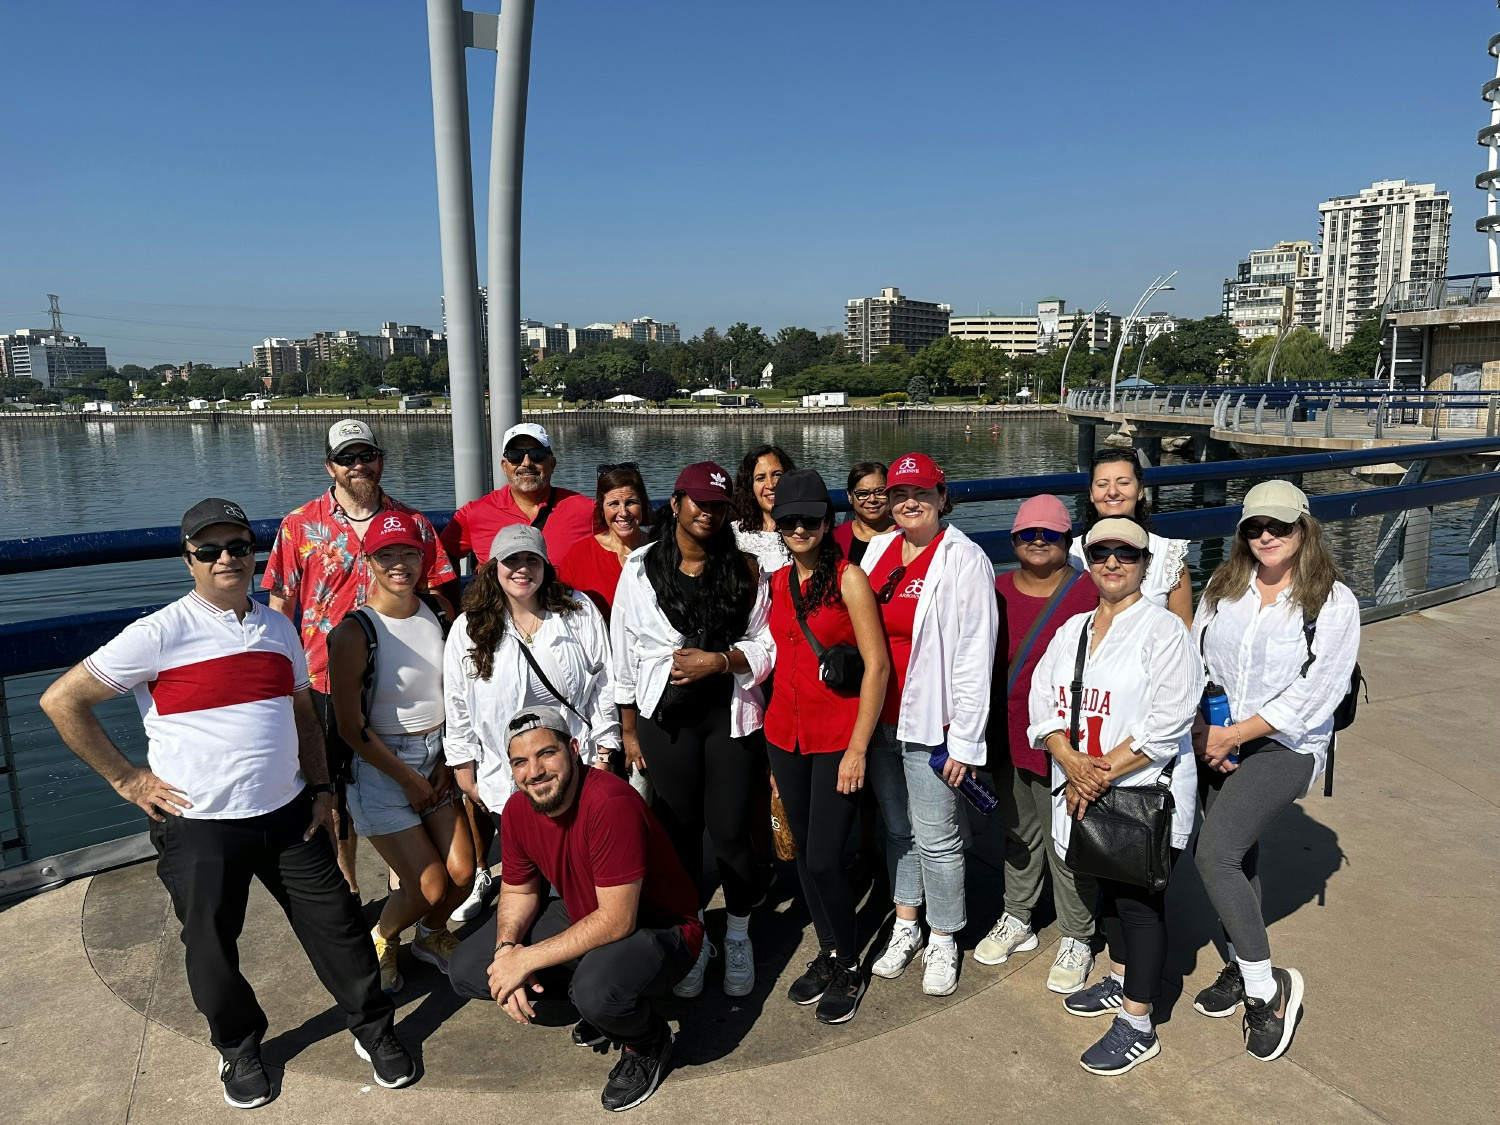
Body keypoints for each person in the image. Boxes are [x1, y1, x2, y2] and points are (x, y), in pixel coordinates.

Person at [40, 498, 416, 1109]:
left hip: (290, 811)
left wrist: (321, 791)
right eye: (209, 550)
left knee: (341, 928)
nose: (226, 559)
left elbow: (300, 712)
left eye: (238, 547)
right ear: (187, 559)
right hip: (200, 825)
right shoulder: (159, 633)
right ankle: (238, 1046)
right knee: (211, 946)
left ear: (253, 555)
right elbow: (62, 701)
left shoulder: (276, 626)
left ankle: (374, 1029)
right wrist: (128, 781)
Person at [446, 707, 701, 1113]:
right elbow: (518, 889)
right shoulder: (516, 810)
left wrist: (528, 959)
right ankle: (605, 1010)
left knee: (595, 991)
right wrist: (507, 951)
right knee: (469, 970)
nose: (535, 771)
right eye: (520, 762)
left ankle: (647, 1040)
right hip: (586, 914)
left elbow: (619, 919)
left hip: (662, 928)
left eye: (547, 754)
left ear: (574, 749)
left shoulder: (610, 801)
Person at [1191, 480, 1359, 1062]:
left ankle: (1267, 990)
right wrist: (1206, 732)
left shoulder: (1332, 602)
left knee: (1214, 855)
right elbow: (1199, 659)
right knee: (1242, 855)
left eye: (1279, 526)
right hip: (1219, 735)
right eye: (1254, 527)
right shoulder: (1224, 586)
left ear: (1304, 528)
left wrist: (1238, 734)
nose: (1266, 536)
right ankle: (1240, 965)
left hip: (1289, 746)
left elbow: (1317, 693)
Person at [1026, 517, 1201, 1075]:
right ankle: (1123, 978)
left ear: (1145, 564)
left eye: (1126, 554)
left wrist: (1095, 773)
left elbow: (1169, 722)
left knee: (1139, 904)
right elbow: (1042, 698)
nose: (1112, 563)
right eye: (1101, 552)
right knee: (1108, 891)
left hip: (1141, 793)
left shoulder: (1163, 630)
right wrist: (1069, 760)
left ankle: (1138, 1022)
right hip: (1082, 788)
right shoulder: (1073, 628)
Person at [263, 418, 457, 894]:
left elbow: (441, 598)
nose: (358, 466)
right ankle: (346, 885)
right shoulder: (298, 525)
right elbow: (279, 608)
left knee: (407, 774)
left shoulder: (413, 523)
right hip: (325, 679)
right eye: (347, 458)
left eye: (366, 455)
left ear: (381, 459)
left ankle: (405, 882)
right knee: (330, 791)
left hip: (402, 676)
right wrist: (284, 682)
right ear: (330, 466)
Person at [612, 461, 773, 1000]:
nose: (708, 512)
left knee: (730, 833)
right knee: (677, 832)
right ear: (677, 502)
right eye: (698, 501)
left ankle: (740, 931)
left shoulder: (747, 568)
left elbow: (765, 644)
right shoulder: (638, 568)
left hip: (729, 716)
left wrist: (720, 662)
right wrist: (629, 728)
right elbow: (625, 651)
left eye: (719, 505)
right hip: (666, 718)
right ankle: (694, 934)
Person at [859, 452, 998, 998]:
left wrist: (965, 737)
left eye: (921, 492)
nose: (908, 502)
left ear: (943, 498)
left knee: (938, 837)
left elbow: (973, 655)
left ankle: (944, 936)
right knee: (898, 829)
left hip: (932, 726)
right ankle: (907, 923)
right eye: (898, 494)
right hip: (881, 722)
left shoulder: (964, 559)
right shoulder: (878, 550)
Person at [762, 469, 890, 1025]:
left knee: (822, 858)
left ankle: (850, 961)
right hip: (782, 737)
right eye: (789, 521)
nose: (799, 529)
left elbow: (878, 666)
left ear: (827, 520)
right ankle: (831, 949)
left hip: (837, 738)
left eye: (809, 519)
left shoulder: (849, 579)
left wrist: (859, 747)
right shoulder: (775, 582)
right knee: (804, 862)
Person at [326, 511, 472, 994]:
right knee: (428, 884)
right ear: (367, 561)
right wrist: (408, 779)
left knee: (464, 873)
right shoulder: (354, 632)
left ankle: (431, 934)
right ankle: (383, 937)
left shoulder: (439, 612)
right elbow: (350, 727)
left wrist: (448, 762)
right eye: (386, 554)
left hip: (437, 753)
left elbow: (455, 696)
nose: (400, 563)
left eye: (409, 552)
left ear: (424, 557)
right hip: (379, 767)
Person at [975, 494, 1102, 994]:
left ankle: (1078, 934)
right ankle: (1017, 916)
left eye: (1049, 534)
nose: (1038, 542)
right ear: (1013, 541)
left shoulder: (1090, 588)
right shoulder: (994, 588)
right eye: (1028, 534)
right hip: (1006, 733)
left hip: (1068, 741)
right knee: (1018, 832)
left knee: (1066, 839)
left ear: (1067, 541)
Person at [443, 523, 620, 861]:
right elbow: (458, 702)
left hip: (575, 768)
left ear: (545, 567)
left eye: (532, 560)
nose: (522, 569)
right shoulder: (468, 629)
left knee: (578, 860)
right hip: (506, 775)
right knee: (528, 867)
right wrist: (463, 769)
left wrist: (605, 753)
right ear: (494, 567)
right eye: (512, 560)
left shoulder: (577, 612)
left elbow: (604, 685)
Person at [439, 421, 596, 567]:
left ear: (552, 463)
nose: (526, 463)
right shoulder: (473, 514)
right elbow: (441, 557)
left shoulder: (586, 510)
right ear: (504, 466)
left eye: (537, 455)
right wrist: (450, 596)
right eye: (515, 456)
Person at [1069, 447, 1192, 629]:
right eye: (1102, 484)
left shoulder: (1168, 556)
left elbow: (1185, 630)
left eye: (1123, 483)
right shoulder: (1072, 555)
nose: (1112, 492)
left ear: (1141, 490)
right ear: (1091, 494)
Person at [557, 461, 653, 622]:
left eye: (631, 502)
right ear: (601, 508)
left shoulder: (660, 549)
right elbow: (561, 610)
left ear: (642, 504)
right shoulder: (580, 554)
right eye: (613, 504)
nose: (623, 512)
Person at [730, 443, 795, 573]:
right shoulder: (734, 533)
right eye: (760, 478)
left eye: (777, 475)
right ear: (750, 487)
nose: (770, 485)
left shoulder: (804, 528)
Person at [832, 461, 894, 568]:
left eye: (880, 492)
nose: (872, 499)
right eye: (862, 493)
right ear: (850, 496)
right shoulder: (836, 536)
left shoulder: (905, 535)